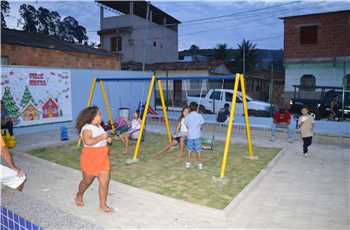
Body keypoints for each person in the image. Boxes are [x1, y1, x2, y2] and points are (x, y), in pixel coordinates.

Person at [75, 106, 113, 213]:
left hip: (103, 155)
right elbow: (88, 142)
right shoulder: (87, 128)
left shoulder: (99, 126)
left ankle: (103, 205)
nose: (101, 116)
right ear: (92, 116)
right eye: (99, 114)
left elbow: (103, 138)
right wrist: (102, 137)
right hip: (90, 157)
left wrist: (108, 139)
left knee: (104, 182)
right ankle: (79, 194)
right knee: (87, 181)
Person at [184, 102, 205, 170]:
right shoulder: (199, 115)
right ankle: (200, 164)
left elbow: (186, 124)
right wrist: (200, 127)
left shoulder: (188, 116)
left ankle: (188, 164)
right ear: (197, 108)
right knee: (198, 150)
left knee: (189, 150)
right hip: (197, 136)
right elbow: (202, 124)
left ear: (190, 108)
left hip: (190, 136)